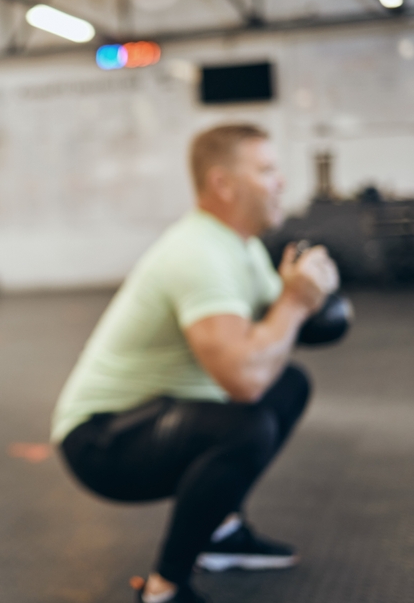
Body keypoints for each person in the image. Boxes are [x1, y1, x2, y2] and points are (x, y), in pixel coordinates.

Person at [51, 124, 339, 603]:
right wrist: (296, 301)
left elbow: (292, 331)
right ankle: (165, 588)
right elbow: (245, 378)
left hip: (159, 414)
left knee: (288, 386)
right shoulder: (198, 252)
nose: (281, 182)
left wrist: (304, 295)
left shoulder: (240, 246)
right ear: (224, 184)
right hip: (100, 442)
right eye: (266, 170)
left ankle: (222, 533)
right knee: (247, 424)